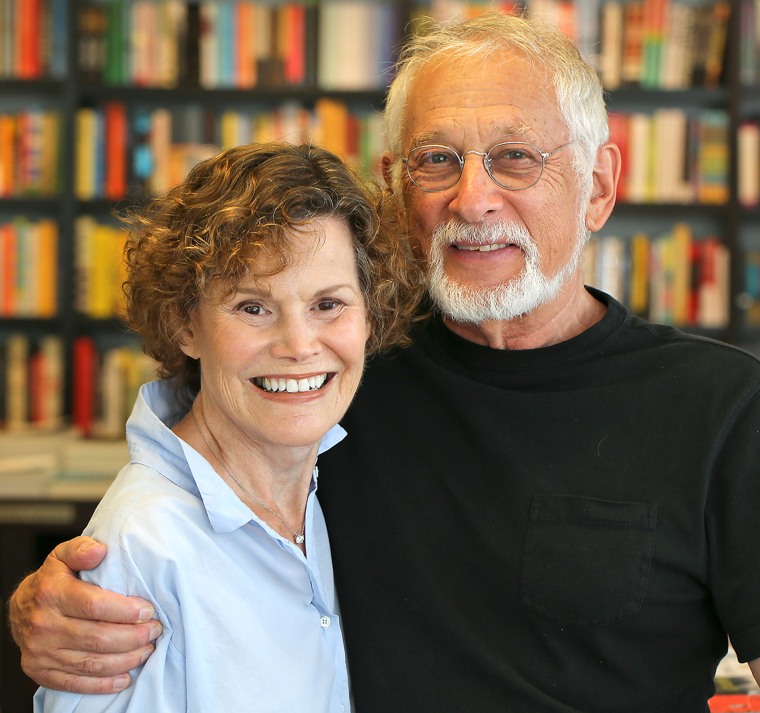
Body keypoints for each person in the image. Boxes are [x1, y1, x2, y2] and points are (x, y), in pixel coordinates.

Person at [10, 12, 760, 713]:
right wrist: (64, 594)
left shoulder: (724, 408)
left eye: (514, 158)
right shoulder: (333, 374)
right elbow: (190, 476)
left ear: (597, 187)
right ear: (398, 188)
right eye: (438, 160)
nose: (474, 199)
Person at [30, 142, 421, 712]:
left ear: (370, 315)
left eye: (329, 304)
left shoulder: (320, 488)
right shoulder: (145, 549)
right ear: (186, 324)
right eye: (252, 307)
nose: (300, 346)